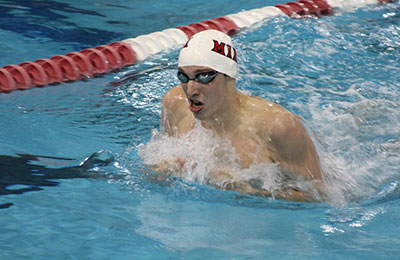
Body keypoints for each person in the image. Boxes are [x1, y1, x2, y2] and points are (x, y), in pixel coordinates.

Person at [157, 29, 324, 202]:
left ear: (229, 76)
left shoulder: (278, 127)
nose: (190, 90)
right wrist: (162, 172)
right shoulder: (174, 103)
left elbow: (320, 197)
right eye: (183, 76)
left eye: (204, 76)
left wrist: (252, 192)